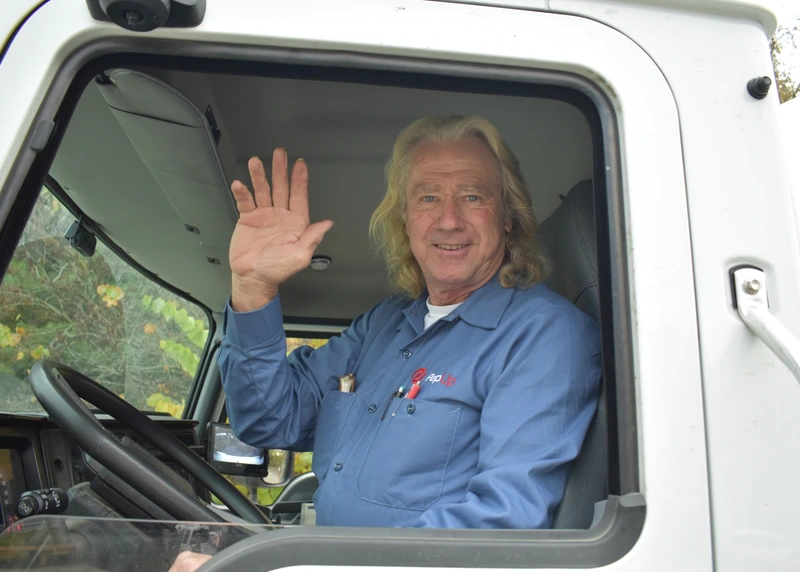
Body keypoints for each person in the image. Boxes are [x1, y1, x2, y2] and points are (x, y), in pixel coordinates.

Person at [218, 115, 601, 529]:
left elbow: (501, 523)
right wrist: (253, 287)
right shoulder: (385, 323)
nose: (449, 220)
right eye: (428, 198)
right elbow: (269, 420)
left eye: (473, 197)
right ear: (404, 218)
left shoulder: (544, 335)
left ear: (508, 216)